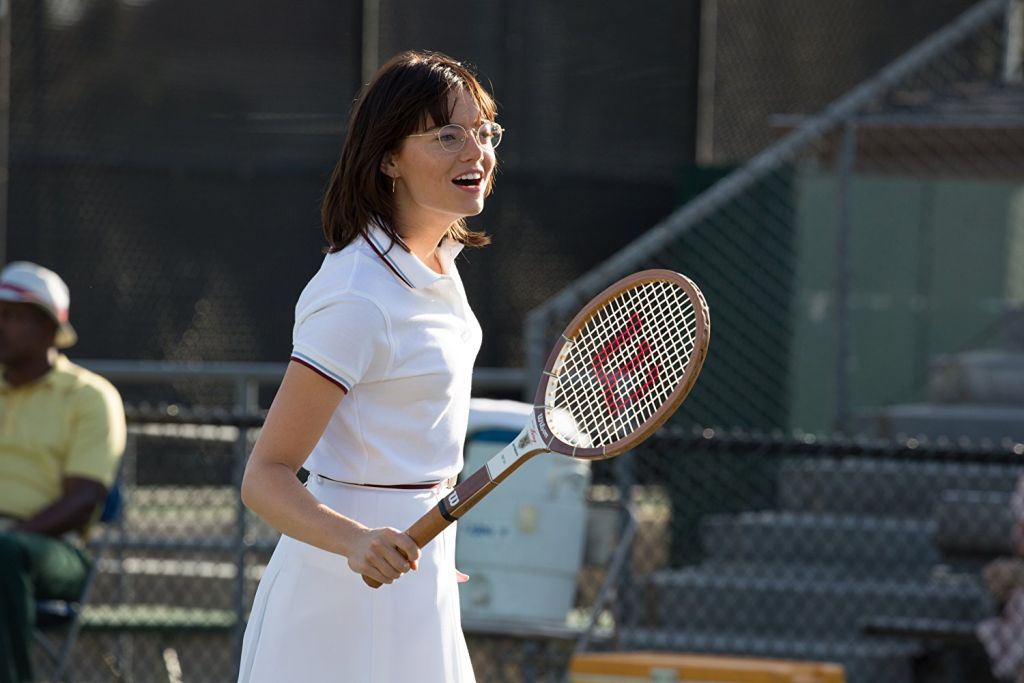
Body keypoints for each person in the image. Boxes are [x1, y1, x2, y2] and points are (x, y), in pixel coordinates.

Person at [237, 50, 502, 683]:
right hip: (336, 599)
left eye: (484, 131)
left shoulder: (439, 264)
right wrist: (359, 541)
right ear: (388, 159)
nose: (477, 152)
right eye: (447, 136)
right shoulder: (356, 296)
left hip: (420, 573)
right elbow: (265, 477)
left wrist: (420, 533)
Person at [0, 261, 126, 683]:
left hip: (54, 550)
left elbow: (83, 500)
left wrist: (10, 535)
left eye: (12, 315)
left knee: (3, 556)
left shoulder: (90, 397)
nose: (0, 325)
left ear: (48, 326)